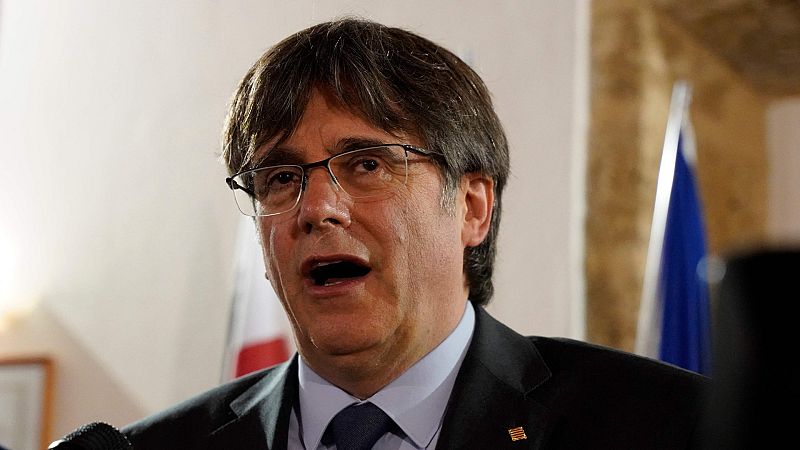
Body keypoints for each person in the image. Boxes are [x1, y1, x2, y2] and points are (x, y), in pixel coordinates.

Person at [122, 18, 707, 449]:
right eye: (280, 178)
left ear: (472, 208)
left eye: (367, 164)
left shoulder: (672, 425)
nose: (317, 208)